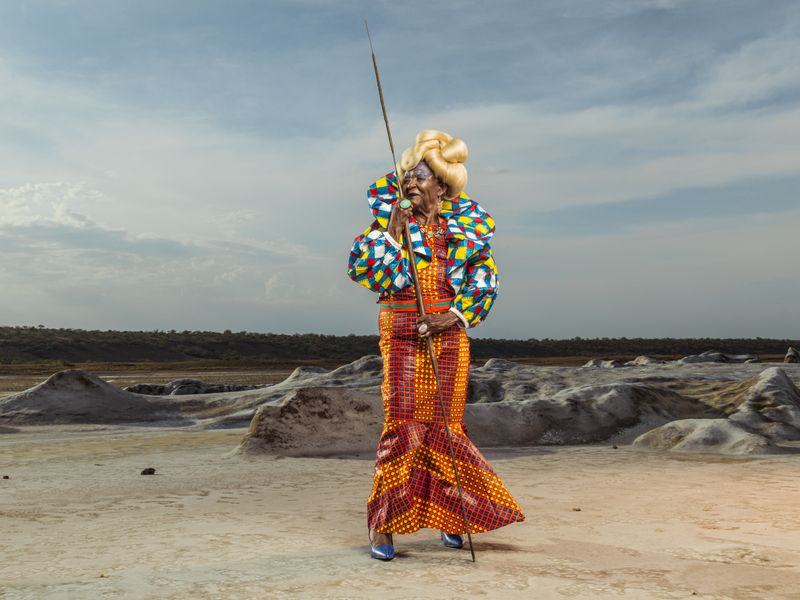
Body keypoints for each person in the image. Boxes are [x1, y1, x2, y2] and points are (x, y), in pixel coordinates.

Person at [347, 130, 524, 561]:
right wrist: (392, 232)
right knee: (403, 424)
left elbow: (487, 282)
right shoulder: (388, 227)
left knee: (445, 427)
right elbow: (365, 271)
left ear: (441, 186)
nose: (410, 183)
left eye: (421, 177)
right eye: (408, 176)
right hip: (402, 335)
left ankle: (452, 516)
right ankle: (383, 524)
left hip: (448, 339)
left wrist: (452, 317)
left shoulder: (463, 231)